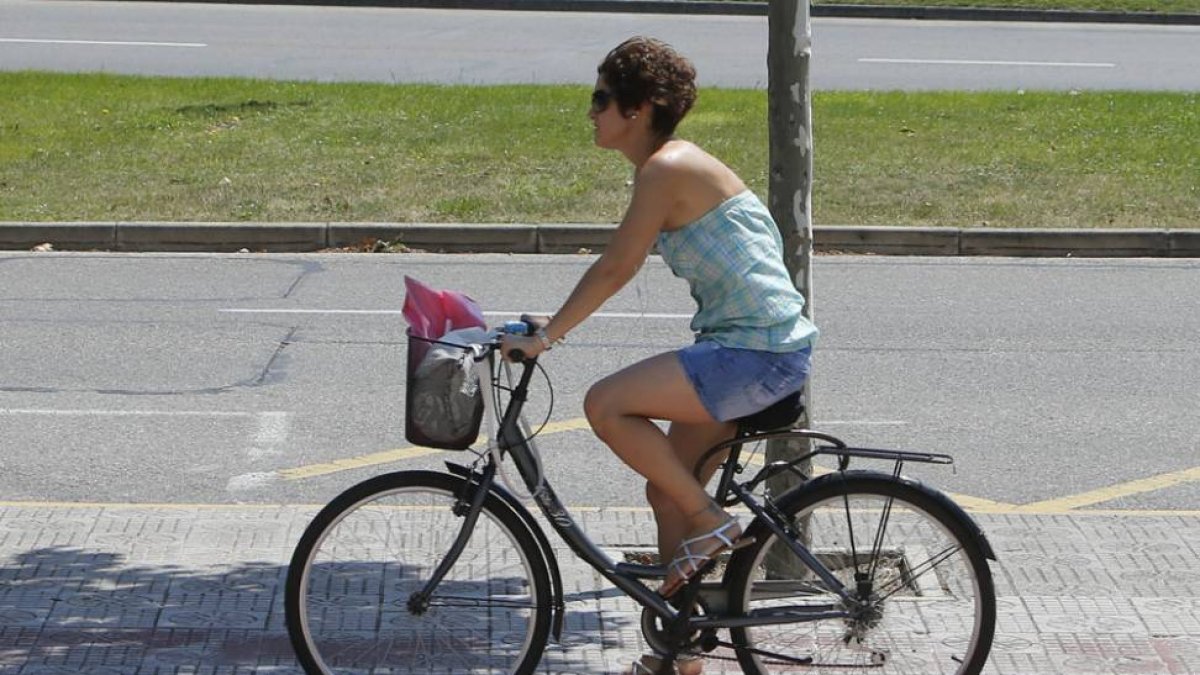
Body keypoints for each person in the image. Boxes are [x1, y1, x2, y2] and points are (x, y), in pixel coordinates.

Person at [501, 36, 818, 675]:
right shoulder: (672, 166)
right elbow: (615, 266)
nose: (591, 112)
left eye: (601, 99)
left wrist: (548, 337)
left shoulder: (667, 168)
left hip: (754, 354)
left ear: (639, 108)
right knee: (664, 491)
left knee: (605, 404)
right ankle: (682, 655)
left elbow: (617, 267)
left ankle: (712, 521)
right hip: (754, 347)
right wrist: (550, 320)